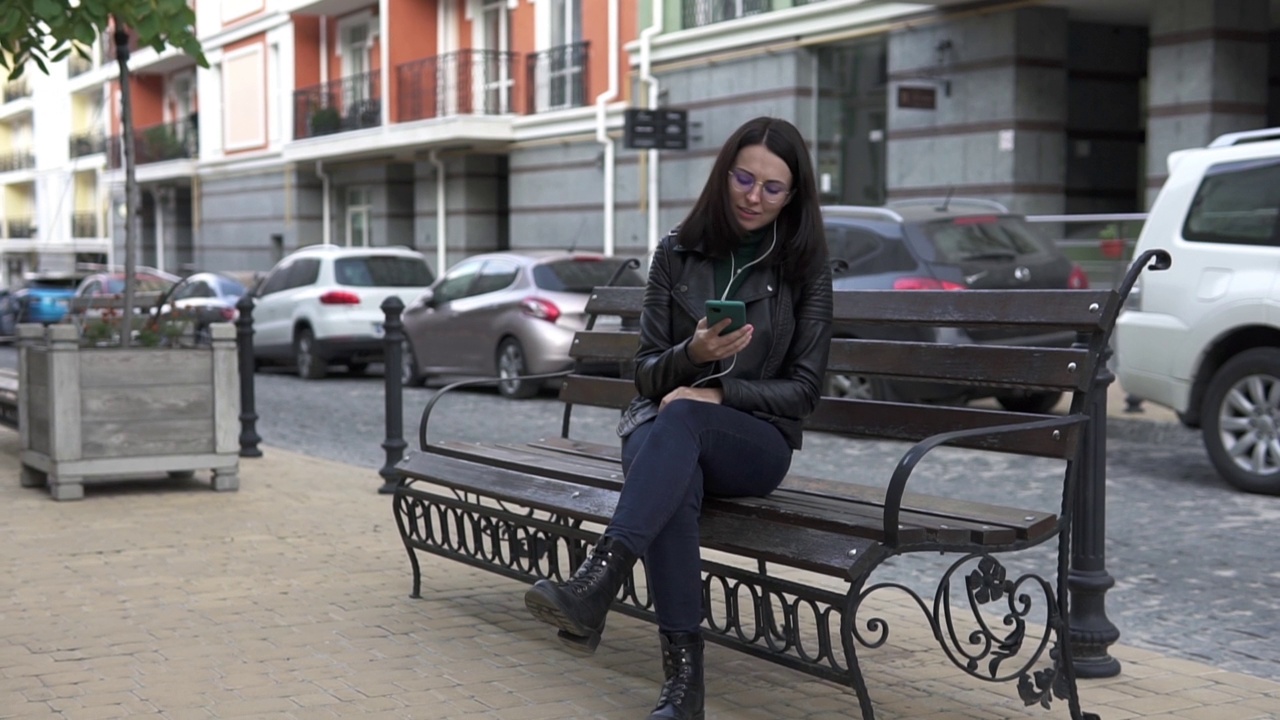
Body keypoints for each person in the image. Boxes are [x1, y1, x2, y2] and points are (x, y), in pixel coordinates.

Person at [524, 116, 832, 720]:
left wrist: (722, 393)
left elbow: (804, 391)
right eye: (745, 178)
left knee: (683, 422)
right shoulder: (675, 252)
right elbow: (645, 374)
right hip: (662, 431)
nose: (754, 196)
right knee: (675, 475)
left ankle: (597, 582)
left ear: (793, 195)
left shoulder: (806, 268)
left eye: (774, 188)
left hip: (754, 443)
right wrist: (692, 356)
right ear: (724, 174)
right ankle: (683, 688)